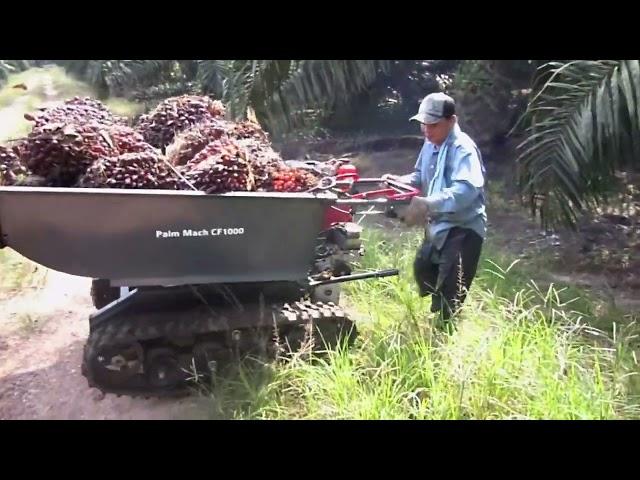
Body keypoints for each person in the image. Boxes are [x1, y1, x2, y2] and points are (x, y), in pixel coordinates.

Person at [384, 92, 487, 324]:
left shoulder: (463, 149)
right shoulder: (430, 144)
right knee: (422, 269)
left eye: (433, 125)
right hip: (438, 225)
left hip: (463, 228)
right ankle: (435, 314)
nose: (427, 131)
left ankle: (445, 332)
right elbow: (419, 176)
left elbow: (466, 191)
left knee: (451, 290)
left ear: (451, 121)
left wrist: (428, 203)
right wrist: (396, 182)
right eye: (423, 125)